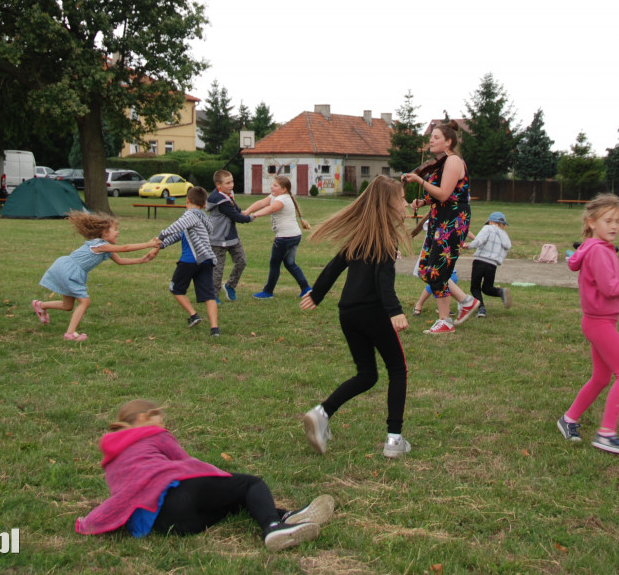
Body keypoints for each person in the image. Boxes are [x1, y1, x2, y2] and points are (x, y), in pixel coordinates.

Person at [75, 399, 334, 551]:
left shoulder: (111, 457)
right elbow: (187, 463)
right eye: (162, 420)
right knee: (249, 485)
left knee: (234, 504)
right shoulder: (153, 434)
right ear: (145, 417)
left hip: (167, 526)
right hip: (177, 495)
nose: (165, 427)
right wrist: (223, 477)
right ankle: (273, 527)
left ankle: (287, 516)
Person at [300, 177, 412, 458]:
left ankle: (322, 412)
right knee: (397, 370)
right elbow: (382, 279)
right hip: (374, 312)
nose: (406, 204)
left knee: (367, 374)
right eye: (402, 199)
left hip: (348, 313)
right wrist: (394, 311)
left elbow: (333, 267)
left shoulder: (360, 237)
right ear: (389, 204)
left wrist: (317, 294)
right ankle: (394, 440)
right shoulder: (386, 239)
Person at [558, 194, 619, 456]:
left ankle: (568, 419)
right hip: (600, 323)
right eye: (608, 220)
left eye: (618, 221)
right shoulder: (599, 250)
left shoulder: (596, 248)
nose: (614, 226)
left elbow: (605, 280)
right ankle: (607, 434)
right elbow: (610, 289)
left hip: (599, 321)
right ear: (591, 222)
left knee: (601, 377)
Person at [401, 123, 479, 334]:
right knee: (427, 268)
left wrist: (418, 179)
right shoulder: (443, 163)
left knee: (437, 269)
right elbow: (442, 194)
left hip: (453, 220)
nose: (431, 140)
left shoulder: (453, 161)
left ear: (449, 141)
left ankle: (445, 320)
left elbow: (444, 194)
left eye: (436, 137)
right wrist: (423, 201)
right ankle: (465, 302)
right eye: (431, 137)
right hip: (440, 219)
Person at [32, 211, 159, 341]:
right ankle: (70, 334)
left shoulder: (105, 249)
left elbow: (120, 261)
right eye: (115, 229)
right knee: (85, 301)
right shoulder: (99, 245)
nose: (118, 232)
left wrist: (141, 260)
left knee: (68, 306)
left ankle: (40, 305)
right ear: (104, 232)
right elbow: (125, 247)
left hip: (66, 268)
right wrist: (148, 244)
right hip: (70, 271)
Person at [152, 187, 220, 336]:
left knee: (175, 288)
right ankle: (215, 329)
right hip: (206, 261)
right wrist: (161, 245)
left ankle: (194, 315)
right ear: (204, 205)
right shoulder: (202, 218)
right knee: (210, 296)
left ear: (187, 200)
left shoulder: (190, 215)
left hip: (190, 261)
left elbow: (175, 228)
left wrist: (160, 236)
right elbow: (179, 234)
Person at [243, 175, 312, 299]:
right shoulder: (277, 196)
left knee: (274, 263)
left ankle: (268, 291)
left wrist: (254, 215)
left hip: (285, 238)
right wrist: (247, 211)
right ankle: (306, 288)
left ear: (283, 189)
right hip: (294, 235)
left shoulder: (282, 199)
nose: (272, 187)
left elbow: (272, 208)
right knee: (290, 263)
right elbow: (261, 202)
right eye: (272, 184)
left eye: (275, 185)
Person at [205, 170, 252, 302]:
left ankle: (230, 285)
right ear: (218, 185)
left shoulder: (228, 194)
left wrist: (243, 212)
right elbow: (236, 217)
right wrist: (250, 218)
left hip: (231, 236)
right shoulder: (219, 200)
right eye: (228, 183)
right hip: (218, 239)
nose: (231, 185)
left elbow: (236, 209)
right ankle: (213, 296)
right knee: (218, 269)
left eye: (232, 181)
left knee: (241, 261)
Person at [464, 211, 513, 318]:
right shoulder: (504, 236)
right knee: (487, 288)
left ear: (491, 221)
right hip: (492, 265)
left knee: (475, 287)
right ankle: (500, 292)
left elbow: (479, 241)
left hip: (480, 261)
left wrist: (468, 245)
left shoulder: (487, 228)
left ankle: (481, 308)